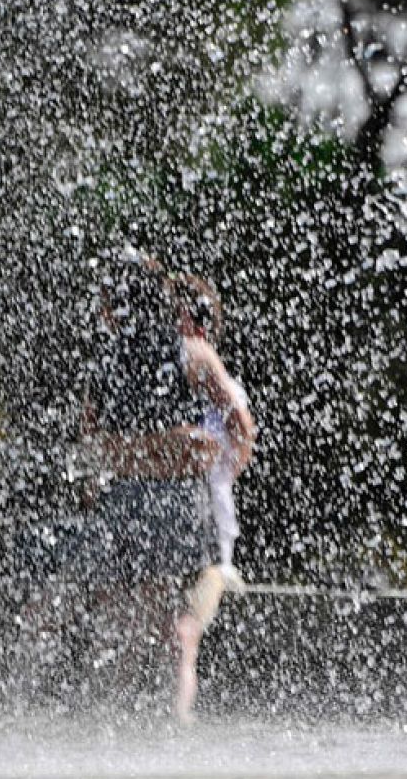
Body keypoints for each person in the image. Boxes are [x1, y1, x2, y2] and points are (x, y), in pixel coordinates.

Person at [74, 254, 226, 721]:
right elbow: (239, 422)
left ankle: (112, 726)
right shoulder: (190, 353)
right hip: (176, 501)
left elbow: (89, 441)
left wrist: (118, 463)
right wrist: (212, 468)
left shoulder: (107, 360)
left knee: (131, 624)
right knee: (170, 630)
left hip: (128, 501)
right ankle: (172, 729)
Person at [165, 272, 256, 724]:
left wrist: (214, 469)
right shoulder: (168, 381)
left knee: (184, 633)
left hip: (210, 537)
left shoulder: (208, 371)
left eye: (174, 317)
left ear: (198, 327)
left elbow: (243, 432)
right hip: (179, 524)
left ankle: (179, 731)